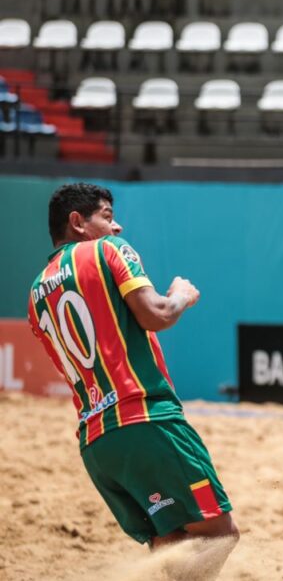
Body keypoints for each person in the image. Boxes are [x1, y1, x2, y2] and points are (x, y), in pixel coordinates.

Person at [27, 183, 238, 579]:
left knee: (171, 542)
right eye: (107, 216)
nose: (118, 227)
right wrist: (180, 296)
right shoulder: (106, 251)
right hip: (146, 421)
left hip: (97, 444)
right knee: (219, 535)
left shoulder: (36, 293)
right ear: (77, 222)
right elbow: (155, 314)